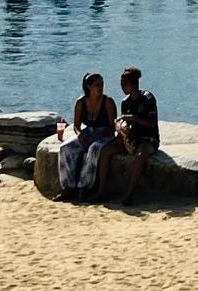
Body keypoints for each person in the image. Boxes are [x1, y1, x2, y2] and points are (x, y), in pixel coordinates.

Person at [99, 66, 160, 205]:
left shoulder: (147, 98)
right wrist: (121, 130)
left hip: (148, 139)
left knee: (140, 156)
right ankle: (101, 190)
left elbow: (151, 123)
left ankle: (129, 194)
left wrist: (132, 118)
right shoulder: (125, 102)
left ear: (134, 84)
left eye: (124, 84)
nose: (122, 87)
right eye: (121, 84)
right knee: (105, 151)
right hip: (132, 138)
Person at [55, 72, 116, 201]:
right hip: (88, 132)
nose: (100, 87)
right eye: (97, 85)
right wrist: (81, 135)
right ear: (89, 87)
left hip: (105, 134)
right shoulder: (81, 102)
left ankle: (85, 187)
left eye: (102, 84)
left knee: (94, 148)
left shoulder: (108, 102)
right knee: (65, 148)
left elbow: (112, 127)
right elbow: (76, 125)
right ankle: (68, 187)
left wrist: (96, 136)